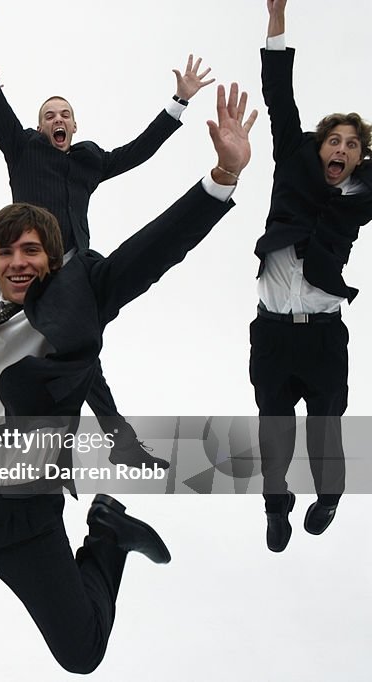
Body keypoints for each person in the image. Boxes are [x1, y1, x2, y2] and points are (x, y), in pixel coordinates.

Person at [0, 78, 255, 672]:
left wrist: (220, 179)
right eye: (7, 252)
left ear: (51, 257)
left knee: (82, 654)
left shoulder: (78, 299)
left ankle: (108, 534)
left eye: (32, 251)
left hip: (27, 508)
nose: (18, 262)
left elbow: (151, 250)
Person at [0, 0, 215, 467]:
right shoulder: (23, 148)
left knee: (82, 350)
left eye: (65, 114)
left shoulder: (90, 160)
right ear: (39, 126)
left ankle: (112, 439)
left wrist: (180, 101)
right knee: (66, 353)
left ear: (75, 124)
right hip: (29, 270)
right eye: (49, 115)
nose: (58, 120)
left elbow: (139, 151)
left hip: (74, 274)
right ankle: (36, 435)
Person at [253, 0, 372, 552]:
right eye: (334, 141)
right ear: (318, 147)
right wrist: (277, 21)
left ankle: (328, 497)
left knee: (325, 430)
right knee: (274, 431)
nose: (341, 149)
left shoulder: (361, 198)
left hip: (325, 334)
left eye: (352, 145)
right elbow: (279, 96)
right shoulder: (292, 165)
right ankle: (276, 508)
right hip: (273, 333)